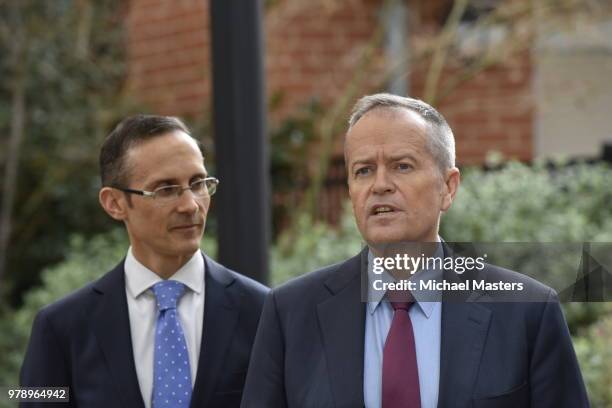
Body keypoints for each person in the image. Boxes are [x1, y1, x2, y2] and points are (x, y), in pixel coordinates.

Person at [241, 93, 589, 408]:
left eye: (401, 166)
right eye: (363, 171)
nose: (380, 185)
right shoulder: (290, 314)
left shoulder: (527, 311)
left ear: (448, 188)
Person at [20, 115, 268, 408]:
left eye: (198, 183)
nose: (190, 205)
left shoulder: (263, 312)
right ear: (114, 203)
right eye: (165, 189)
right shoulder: (60, 327)